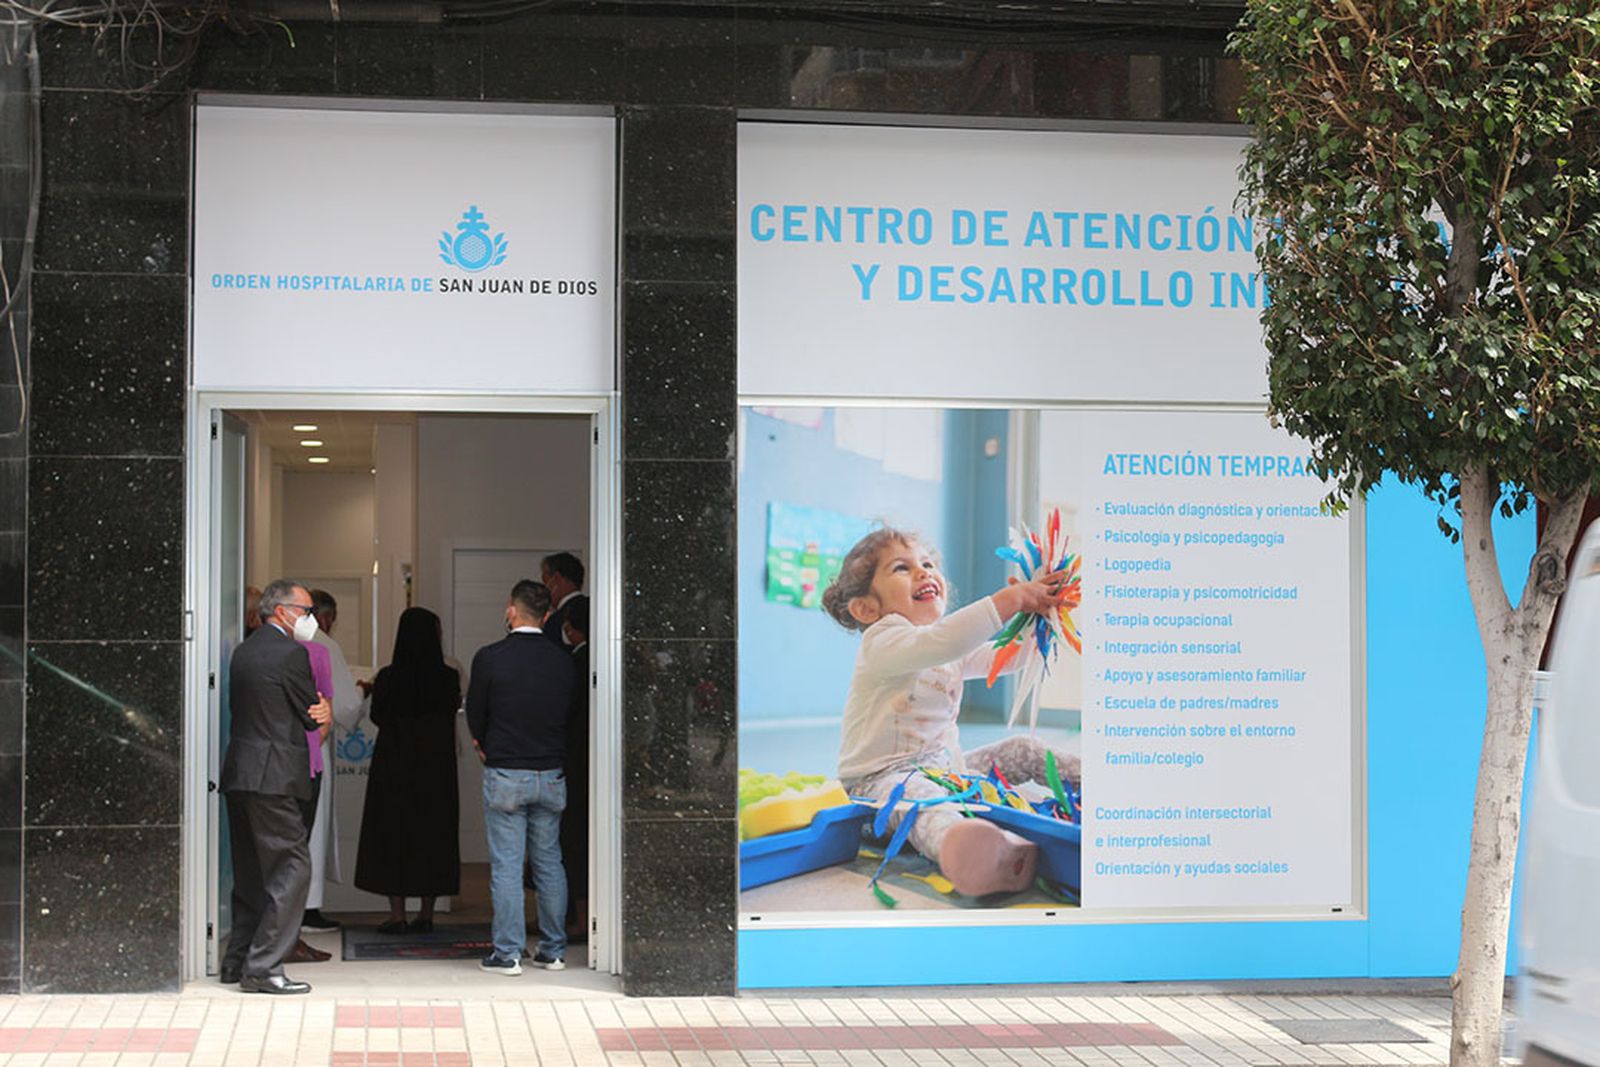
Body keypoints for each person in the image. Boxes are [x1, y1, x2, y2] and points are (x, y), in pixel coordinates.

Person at [821, 527, 1078, 898]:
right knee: (924, 802)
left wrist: (1044, 616)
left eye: (927, 563)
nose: (923, 572)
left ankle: (1098, 786)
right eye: (901, 568)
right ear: (867, 608)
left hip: (948, 773)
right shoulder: (883, 638)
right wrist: (1009, 600)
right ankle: (967, 849)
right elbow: (943, 642)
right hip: (880, 784)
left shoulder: (943, 643)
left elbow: (1012, 656)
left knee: (1023, 748)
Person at [220, 579, 332, 994]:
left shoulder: (243, 651)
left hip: (241, 772)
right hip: (275, 775)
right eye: (305, 611)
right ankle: (264, 967)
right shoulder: (291, 653)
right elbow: (310, 714)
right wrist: (320, 707)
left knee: (250, 871)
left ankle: (237, 960)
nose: (311, 619)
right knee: (292, 865)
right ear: (282, 611)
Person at [466, 580, 576, 976]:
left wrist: (484, 745)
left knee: (508, 866)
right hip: (550, 774)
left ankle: (508, 953)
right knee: (550, 863)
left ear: (511, 609)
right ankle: (553, 949)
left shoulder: (490, 657)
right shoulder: (563, 660)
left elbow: (475, 710)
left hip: (506, 772)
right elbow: (569, 714)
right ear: (547, 615)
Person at [354, 606, 462, 932]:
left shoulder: (387, 677)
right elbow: (452, 709)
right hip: (436, 770)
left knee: (392, 837)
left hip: (394, 767)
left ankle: (397, 914)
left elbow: (376, 716)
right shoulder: (447, 678)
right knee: (433, 837)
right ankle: (426, 914)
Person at [301, 589, 364, 934]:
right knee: (314, 824)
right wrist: (362, 692)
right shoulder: (325, 645)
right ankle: (308, 907)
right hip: (315, 742)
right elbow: (346, 708)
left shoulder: (280, 642)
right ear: (325, 617)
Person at [560, 596, 590, 942]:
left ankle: (576, 920)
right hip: (591, 765)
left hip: (572, 765)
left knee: (571, 845)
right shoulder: (605, 661)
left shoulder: (572, 664)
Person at [540, 552, 585, 647]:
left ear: (557, 578)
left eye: (546, 582)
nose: (545, 589)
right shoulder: (597, 611)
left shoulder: (557, 621)